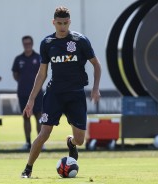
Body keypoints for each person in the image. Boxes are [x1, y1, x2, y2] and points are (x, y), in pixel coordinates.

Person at [21, 6, 101, 178]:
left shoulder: (80, 41)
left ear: (69, 22)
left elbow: (96, 65)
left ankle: (70, 143)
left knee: (80, 140)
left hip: (76, 94)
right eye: (59, 23)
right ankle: (27, 169)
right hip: (54, 94)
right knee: (44, 133)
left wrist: (95, 88)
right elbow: (42, 73)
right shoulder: (47, 43)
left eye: (65, 23)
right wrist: (31, 99)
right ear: (54, 22)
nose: (62, 27)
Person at [12, 36, 43, 150]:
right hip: (23, 93)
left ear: (32, 43)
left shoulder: (39, 58)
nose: (27, 45)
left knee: (39, 116)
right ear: (23, 44)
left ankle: (40, 143)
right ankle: (28, 142)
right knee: (26, 117)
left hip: (37, 93)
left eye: (29, 43)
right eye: (25, 44)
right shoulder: (18, 59)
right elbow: (15, 74)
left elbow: (43, 74)